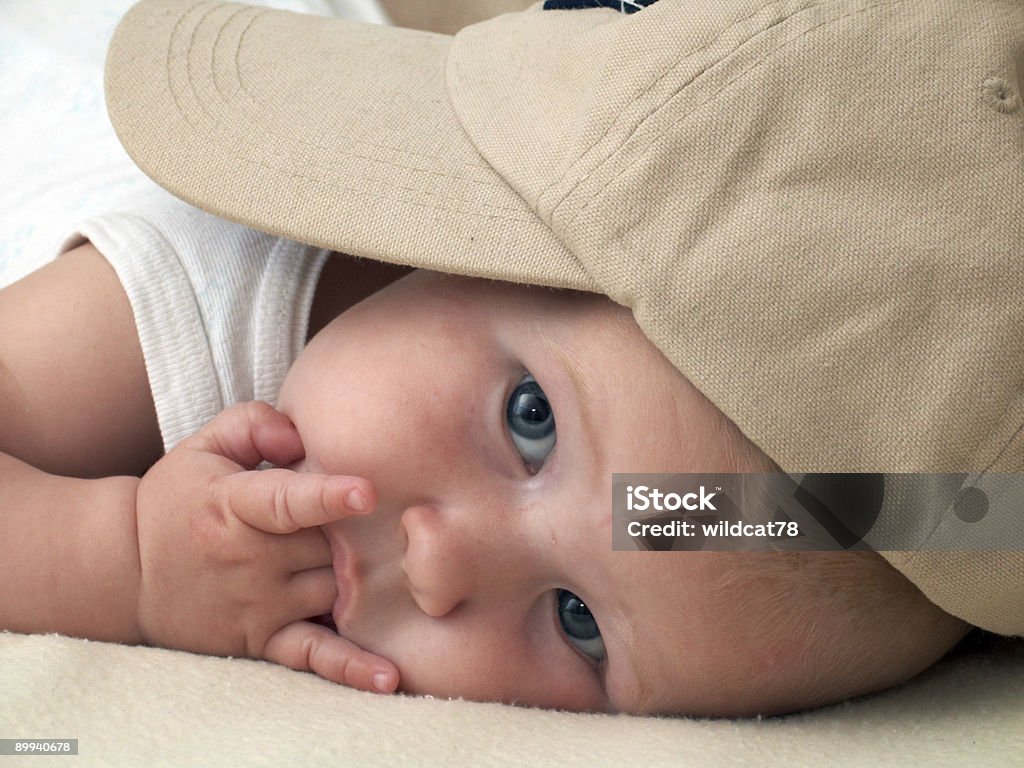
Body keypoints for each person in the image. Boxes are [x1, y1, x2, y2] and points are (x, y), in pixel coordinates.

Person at [2, 0, 1022, 717]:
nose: (442, 566)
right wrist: (125, 557)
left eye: (579, 624)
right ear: (469, 241)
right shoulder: (203, 272)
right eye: (528, 419)